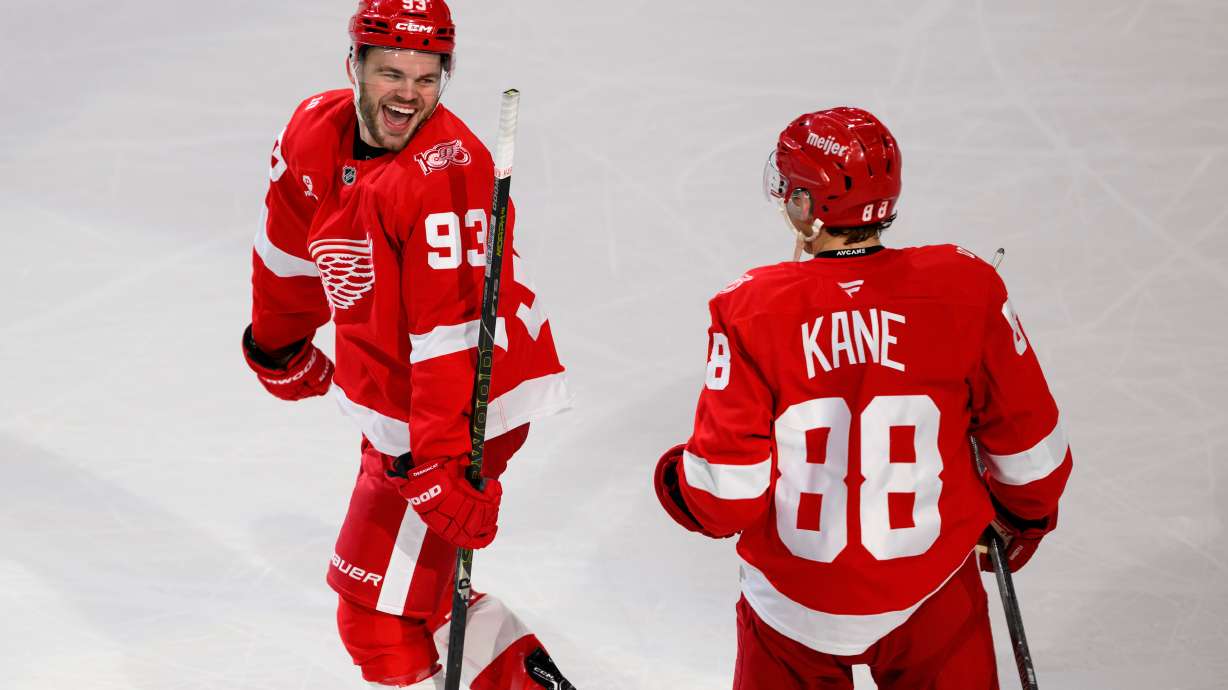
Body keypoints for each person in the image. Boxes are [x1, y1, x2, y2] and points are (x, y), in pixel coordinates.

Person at [653, 107, 1072, 689]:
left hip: (792, 608)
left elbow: (727, 494)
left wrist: (674, 477)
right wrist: (1021, 519)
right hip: (932, 591)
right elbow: (1034, 461)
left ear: (805, 205)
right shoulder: (965, 285)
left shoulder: (749, 307)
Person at [242, 1, 575, 687]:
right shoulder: (312, 131)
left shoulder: (449, 170)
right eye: (391, 72)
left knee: (376, 617)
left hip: (465, 409)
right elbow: (286, 250)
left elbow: (454, 336)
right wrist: (279, 344)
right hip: (406, 405)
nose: (408, 94)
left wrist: (442, 463)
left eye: (427, 78)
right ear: (353, 67)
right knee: (418, 604)